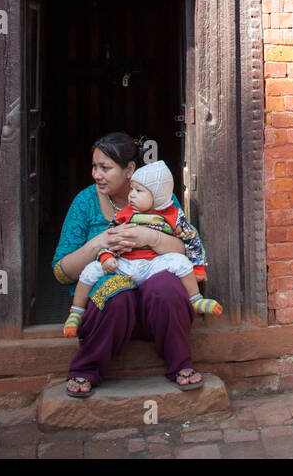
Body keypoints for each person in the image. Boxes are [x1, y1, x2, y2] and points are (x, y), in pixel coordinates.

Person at [51, 132, 208, 398]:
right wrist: (98, 244)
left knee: (167, 287)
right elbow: (61, 272)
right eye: (94, 167)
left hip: (153, 312)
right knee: (117, 291)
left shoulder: (160, 198)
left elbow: (187, 250)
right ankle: (87, 368)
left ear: (130, 170)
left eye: (105, 168)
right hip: (110, 315)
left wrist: (151, 237)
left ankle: (180, 364)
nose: (96, 175)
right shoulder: (85, 203)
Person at [63, 158, 221, 336]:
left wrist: (197, 267)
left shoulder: (173, 215)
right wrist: (107, 257)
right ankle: (76, 312)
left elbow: (191, 238)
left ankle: (195, 299)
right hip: (124, 265)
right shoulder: (124, 215)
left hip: (154, 265)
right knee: (90, 271)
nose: (131, 195)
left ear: (158, 195)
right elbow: (110, 238)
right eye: (132, 189)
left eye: (139, 191)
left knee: (180, 261)